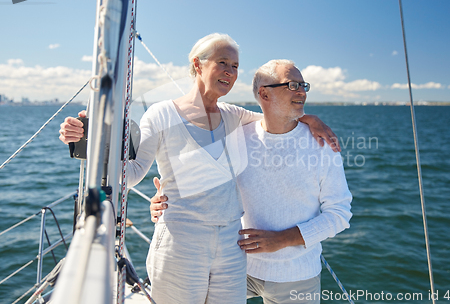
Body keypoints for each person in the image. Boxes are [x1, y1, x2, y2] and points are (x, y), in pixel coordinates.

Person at [59, 35, 340, 304]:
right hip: (181, 242)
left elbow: (276, 118)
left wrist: (309, 118)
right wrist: (92, 141)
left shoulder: (234, 115)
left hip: (231, 246)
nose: (230, 72)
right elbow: (131, 174)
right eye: (222, 63)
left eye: (235, 67)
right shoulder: (161, 113)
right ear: (197, 64)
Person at [150, 59, 352, 304]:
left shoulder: (321, 144)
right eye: (292, 85)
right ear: (264, 93)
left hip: (295, 275)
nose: (301, 91)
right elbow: (203, 180)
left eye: (303, 85)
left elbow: (339, 214)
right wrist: (166, 201)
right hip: (234, 265)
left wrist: (282, 239)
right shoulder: (236, 135)